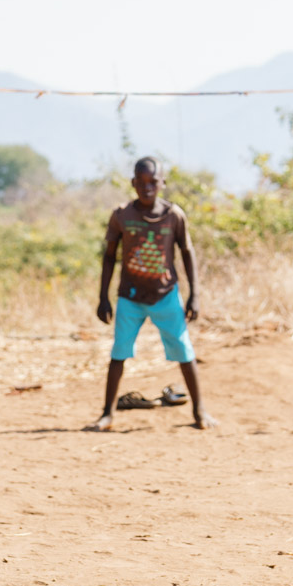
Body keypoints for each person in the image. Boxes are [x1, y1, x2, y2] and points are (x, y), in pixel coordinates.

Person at [90, 156, 213, 431]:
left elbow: (186, 253)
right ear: (133, 183)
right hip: (130, 297)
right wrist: (103, 297)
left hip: (166, 295)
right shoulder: (122, 215)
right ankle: (107, 414)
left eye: (153, 182)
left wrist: (195, 295)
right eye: (141, 182)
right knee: (119, 353)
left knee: (184, 351)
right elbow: (109, 257)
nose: (147, 188)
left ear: (162, 183)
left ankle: (199, 411)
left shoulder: (174, 215)